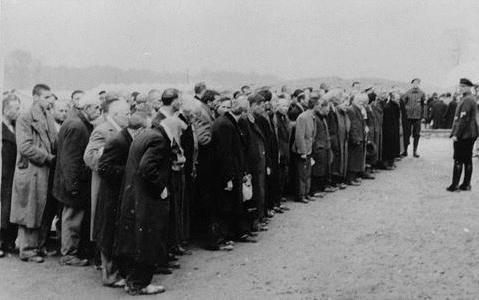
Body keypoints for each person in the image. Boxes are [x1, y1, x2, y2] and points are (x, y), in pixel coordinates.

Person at [114, 112, 173, 295]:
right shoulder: (158, 139)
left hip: (134, 194)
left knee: (133, 238)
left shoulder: (143, 136)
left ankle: (131, 280)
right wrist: (161, 188)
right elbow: (147, 167)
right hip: (147, 197)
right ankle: (140, 283)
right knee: (148, 238)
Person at [96, 107, 152, 288]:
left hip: (121, 194)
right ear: (139, 129)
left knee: (116, 233)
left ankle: (116, 272)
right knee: (109, 234)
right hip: (112, 196)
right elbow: (104, 168)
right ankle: (110, 275)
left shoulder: (127, 139)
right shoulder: (119, 142)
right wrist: (129, 173)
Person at [84, 98, 131, 282]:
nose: (129, 116)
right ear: (116, 115)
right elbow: (89, 157)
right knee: (106, 227)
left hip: (115, 183)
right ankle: (108, 272)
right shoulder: (102, 130)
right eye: (126, 114)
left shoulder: (120, 129)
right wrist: (107, 164)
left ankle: (114, 269)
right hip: (105, 184)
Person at [10, 84, 57, 263]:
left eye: (50, 97)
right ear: (36, 98)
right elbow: (24, 147)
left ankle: (37, 246)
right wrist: (47, 157)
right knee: (30, 210)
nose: (50, 100)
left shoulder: (48, 117)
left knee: (42, 209)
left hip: (44, 170)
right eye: (46, 97)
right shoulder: (25, 118)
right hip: (32, 171)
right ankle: (27, 250)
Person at [53, 94, 102, 266]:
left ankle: (70, 251)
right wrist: (73, 185)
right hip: (74, 182)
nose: (99, 111)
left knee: (70, 217)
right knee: (72, 218)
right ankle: (68, 254)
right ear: (87, 108)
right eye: (96, 108)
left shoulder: (76, 122)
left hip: (72, 181)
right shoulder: (77, 126)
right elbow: (70, 160)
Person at [210, 96, 255, 245]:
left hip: (231, 171)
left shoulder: (227, 122)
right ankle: (221, 238)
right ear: (242, 113)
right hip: (225, 174)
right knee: (225, 206)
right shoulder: (226, 125)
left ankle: (230, 235)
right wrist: (228, 177)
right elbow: (225, 153)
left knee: (231, 204)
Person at [447, 78, 479, 192]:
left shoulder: (467, 100)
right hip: (470, 134)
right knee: (467, 159)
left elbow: (463, 119)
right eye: (460, 86)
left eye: (463, 87)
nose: (460, 88)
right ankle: (466, 184)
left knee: (458, 159)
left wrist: (456, 134)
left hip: (465, 134)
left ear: (469, 88)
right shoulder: (469, 98)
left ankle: (454, 185)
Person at [1, 92, 21, 257]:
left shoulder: (15, 126)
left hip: (13, 171)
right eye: (15, 108)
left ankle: (8, 241)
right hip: (4, 171)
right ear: (6, 109)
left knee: (10, 206)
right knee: (3, 206)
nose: (18, 111)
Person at [291, 94, 317, 203]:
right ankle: (301, 195)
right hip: (302, 150)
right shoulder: (303, 117)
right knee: (302, 174)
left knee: (307, 173)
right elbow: (299, 136)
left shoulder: (312, 117)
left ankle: (306, 193)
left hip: (309, 149)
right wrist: (302, 151)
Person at [310, 92, 332, 197]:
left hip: (323, 146)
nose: (328, 111)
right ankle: (314, 190)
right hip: (319, 147)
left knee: (322, 169)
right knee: (317, 170)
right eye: (326, 109)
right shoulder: (316, 118)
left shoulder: (322, 118)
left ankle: (320, 187)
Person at [400, 78, 426, 157]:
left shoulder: (422, 93)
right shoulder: (407, 93)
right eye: (414, 83)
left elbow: (424, 106)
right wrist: (404, 114)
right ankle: (405, 151)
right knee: (406, 134)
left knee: (417, 134)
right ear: (412, 84)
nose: (416, 84)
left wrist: (424, 116)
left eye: (417, 83)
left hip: (417, 117)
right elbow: (402, 103)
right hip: (408, 117)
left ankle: (415, 151)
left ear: (419, 84)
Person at [346, 93, 368, 185]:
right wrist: (355, 138)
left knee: (357, 159)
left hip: (360, 136)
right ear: (353, 100)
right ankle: (350, 179)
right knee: (353, 160)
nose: (361, 102)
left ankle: (354, 177)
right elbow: (353, 126)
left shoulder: (357, 109)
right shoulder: (352, 110)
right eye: (359, 100)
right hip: (356, 138)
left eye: (362, 101)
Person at [381, 91, 401, 169]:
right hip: (389, 130)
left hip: (394, 129)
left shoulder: (395, 106)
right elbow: (387, 121)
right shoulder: (388, 107)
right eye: (397, 99)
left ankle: (391, 162)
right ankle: (387, 164)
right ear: (392, 98)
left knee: (393, 147)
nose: (398, 100)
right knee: (388, 147)